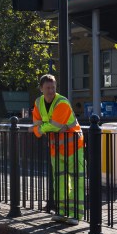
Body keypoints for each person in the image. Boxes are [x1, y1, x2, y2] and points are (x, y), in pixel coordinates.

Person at [31, 74, 85, 224]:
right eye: (48, 88)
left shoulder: (62, 102)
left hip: (74, 145)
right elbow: (38, 126)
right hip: (57, 147)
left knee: (76, 179)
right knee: (59, 180)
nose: (51, 90)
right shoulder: (38, 102)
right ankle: (62, 212)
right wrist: (42, 128)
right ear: (41, 89)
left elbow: (51, 125)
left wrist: (42, 129)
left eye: (53, 87)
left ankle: (75, 215)